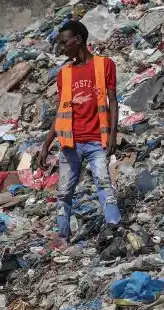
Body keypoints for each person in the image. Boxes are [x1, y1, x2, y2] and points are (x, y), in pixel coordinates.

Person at [37, 20, 121, 244]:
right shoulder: (64, 74)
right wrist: (46, 144)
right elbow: (61, 111)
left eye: (64, 43)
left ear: (79, 40)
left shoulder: (105, 65)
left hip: (97, 140)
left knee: (104, 184)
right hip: (70, 144)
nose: (62, 48)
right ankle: (63, 238)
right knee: (64, 192)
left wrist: (113, 134)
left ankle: (114, 228)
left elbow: (113, 102)